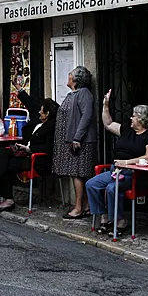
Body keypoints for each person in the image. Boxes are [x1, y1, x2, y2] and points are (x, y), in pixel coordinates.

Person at [86, 90, 148, 235]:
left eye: (134, 116)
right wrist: (105, 105)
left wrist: (126, 162)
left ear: (142, 119)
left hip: (135, 174)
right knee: (92, 184)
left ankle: (120, 221)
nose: (131, 118)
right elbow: (108, 123)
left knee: (112, 188)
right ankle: (104, 218)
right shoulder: (127, 130)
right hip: (116, 170)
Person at [0, 98, 60, 212]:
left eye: (41, 110)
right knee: (2, 151)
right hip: (26, 154)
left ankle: (6, 197)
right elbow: (31, 104)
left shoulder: (50, 127)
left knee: (6, 164)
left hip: (38, 159)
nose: (39, 112)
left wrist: (28, 149)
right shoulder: (37, 123)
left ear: (47, 114)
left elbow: (48, 148)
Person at [52, 66, 98, 220]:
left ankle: (78, 208)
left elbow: (86, 116)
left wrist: (77, 137)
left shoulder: (84, 93)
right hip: (73, 141)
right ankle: (85, 206)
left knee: (78, 174)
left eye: (71, 74)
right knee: (76, 174)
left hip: (81, 142)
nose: (68, 75)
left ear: (77, 79)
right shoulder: (75, 93)